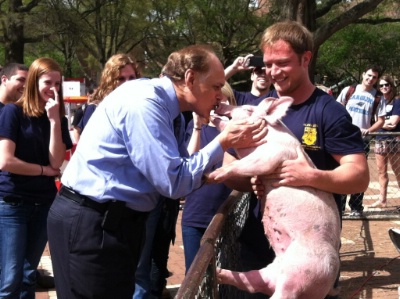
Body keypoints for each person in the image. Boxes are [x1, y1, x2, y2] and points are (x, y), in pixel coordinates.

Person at [47, 44, 267, 299]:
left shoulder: (162, 105)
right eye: (217, 87)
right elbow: (174, 182)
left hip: (110, 224)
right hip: (93, 224)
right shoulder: (146, 104)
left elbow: (179, 172)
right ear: (190, 79)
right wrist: (222, 142)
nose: (220, 96)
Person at [214, 20, 369, 298]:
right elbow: (230, 169)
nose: (273, 72)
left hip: (308, 253)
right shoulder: (257, 109)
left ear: (306, 58)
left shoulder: (328, 112)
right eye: (268, 64)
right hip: (258, 242)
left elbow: (358, 176)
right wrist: (254, 179)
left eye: (283, 63)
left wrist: (310, 176)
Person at [0, 57, 72, 298]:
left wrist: (53, 121)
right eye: (47, 82)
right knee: (10, 277)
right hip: (13, 203)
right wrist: (43, 171)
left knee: (29, 275)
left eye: (57, 83)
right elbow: (6, 161)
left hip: (44, 203)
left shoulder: (57, 118)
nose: (53, 88)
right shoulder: (13, 112)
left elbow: (56, 162)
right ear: (34, 81)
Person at [181, 82, 237, 273]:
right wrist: (197, 127)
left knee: (222, 278)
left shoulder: (238, 132)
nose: (218, 107)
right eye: (214, 103)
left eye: (223, 102)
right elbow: (188, 163)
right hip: (195, 215)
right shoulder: (198, 127)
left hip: (227, 215)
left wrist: (228, 130)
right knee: (194, 276)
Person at [336, 66, 385, 217]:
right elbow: (337, 109)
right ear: (363, 74)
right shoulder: (349, 90)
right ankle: (340, 206)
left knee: (359, 172)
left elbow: (381, 120)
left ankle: (356, 206)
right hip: (344, 138)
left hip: (362, 140)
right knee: (341, 171)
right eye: (369, 75)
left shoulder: (377, 97)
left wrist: (369, 130)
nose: (370, 79)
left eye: (374, 77)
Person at [76, 53, 140, 137]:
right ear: (110, 81)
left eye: (131, 78)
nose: (128, 83)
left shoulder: (140, 107)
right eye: (121, 79)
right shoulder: (96, 108)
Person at [372, 75, 400, 208]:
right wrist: (382, 123)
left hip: (394, 140)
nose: (384, 87)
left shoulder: (397, 101)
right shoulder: (379, 101)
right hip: (380, 139)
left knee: (398, 172)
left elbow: (393, 123)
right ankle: (382, 200)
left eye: (386, 85)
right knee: (381, 172)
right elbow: (378, 121)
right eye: (381, 85)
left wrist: (379, 123)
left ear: (391, 86)